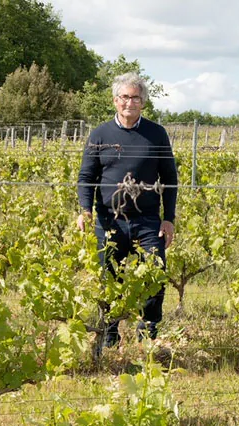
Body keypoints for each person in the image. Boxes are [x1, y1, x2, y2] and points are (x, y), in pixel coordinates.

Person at [76, 72, 178, 350]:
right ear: (115, 101)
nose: (129, 102)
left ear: (143, 102)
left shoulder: (156, 134)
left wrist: (168, 218)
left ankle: (148, 333)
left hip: (147, 219)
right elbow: (87, 176)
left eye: (135, 97)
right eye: (124, 97)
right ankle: (109, 334)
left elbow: (169, 178)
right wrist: (85, 209)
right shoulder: (100, 134)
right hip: (109, 219)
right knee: (108, 276)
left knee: (155, 273)